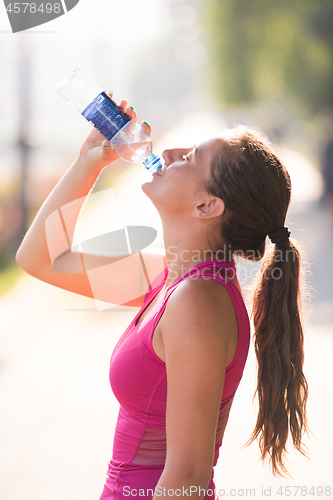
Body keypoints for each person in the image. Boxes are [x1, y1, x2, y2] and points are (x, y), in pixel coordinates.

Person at [16, 98, 309, 500]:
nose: (169, 151)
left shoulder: (197, 302)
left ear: (207, 205)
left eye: (189, 157)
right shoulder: (171, 278)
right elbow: (41, 258)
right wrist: (89, 163)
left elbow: (188, 473)